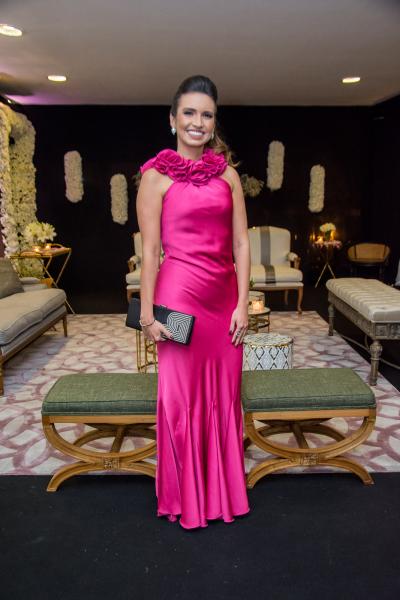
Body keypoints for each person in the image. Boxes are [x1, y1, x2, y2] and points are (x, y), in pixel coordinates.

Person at [136, 75, 250, 529]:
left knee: (224, 396)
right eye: (189, 113)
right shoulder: (154, 177)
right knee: (181, 399)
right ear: (173, 119)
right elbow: (149, 251)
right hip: (178, 296)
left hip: (224, 301)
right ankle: (186, 498)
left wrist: (243, 303)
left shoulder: (229, 176)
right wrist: (147, 313)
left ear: (214, 122)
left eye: (206, 114)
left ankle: (221, 495)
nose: (197, 122)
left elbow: (241, 243)